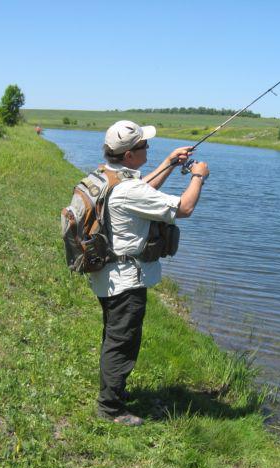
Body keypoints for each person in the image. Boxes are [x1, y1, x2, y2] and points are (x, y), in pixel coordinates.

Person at [91, 120, 209, 426]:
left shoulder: (108, 176)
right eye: (144, 145)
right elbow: (183, 208)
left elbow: (141, 191)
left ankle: (113, 392)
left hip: (109, 275)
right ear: (129, 155)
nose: (148, 148)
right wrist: (198, 177)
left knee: (115, 336)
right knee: (123, 342)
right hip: (126, 280)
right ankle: (111, 409)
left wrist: (169, 163)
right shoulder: (128, 189)